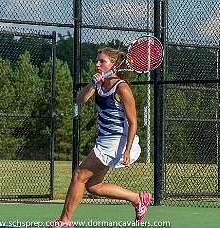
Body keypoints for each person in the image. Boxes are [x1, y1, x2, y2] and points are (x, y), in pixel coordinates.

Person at [49, 47, 152, 228]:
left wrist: (127, 150)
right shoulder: (99, 84)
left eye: (102, 61)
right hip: (104, 140)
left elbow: (133, 122)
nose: (97, 64)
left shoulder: (122, 88)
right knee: (93, 186)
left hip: (116, 142)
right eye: (97, 60)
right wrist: (92, 84)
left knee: (79, 174)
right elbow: (80, 100)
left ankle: (64, 222)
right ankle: (138, 199)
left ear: (113, 64)